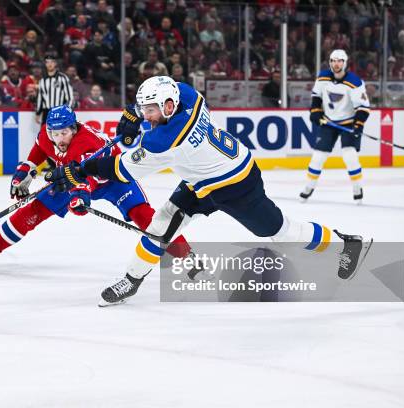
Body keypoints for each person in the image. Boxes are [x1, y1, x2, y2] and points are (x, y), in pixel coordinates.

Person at [46, 76, 372, 306]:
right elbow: (158, 96)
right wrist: (132, 115)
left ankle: (347, 244)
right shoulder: (188, 95)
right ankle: (132, 279)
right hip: (201, 179)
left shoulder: (164, 142)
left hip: (236, 184)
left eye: (150, 111)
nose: (146, 115)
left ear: (169, 106)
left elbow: (118, 169)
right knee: (160, 227)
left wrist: (80, 169)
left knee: (282, 233)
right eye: (144, 109)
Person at [0, 105, 196, 272]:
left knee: (144, 216)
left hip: (112, 178)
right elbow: (39, 150)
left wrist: (80, 197)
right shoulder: (47, 134)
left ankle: (188, 257)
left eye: (64, 133)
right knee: (32, 212)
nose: (59, 139)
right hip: (73, 177)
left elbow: (88, 179)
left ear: (74, 128)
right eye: (54, 134)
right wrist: (26, 170)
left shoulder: (86, 143)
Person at [301, 49, 371, 204]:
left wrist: (358, 125)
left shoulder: (355, 82)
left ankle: (357, 188)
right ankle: (309, 186)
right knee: (318, 157)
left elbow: (364, 108)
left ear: (345, 63)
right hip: (329, 122)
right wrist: (315, 112)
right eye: (333, 60)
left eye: (339, 61)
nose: (336, 64)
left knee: (349, 155)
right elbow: (316, 96)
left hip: (349, 123)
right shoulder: (323, 77)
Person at [35, 55, 74, 124]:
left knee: (59, 133)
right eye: (47, 62)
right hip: (46, 112)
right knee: (45, 134)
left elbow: (70, 97)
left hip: (59, 111)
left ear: (55, 63)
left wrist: (67, 111)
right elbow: (40, 98)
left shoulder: (63, 78)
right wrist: (38, 113)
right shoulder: (42, 80)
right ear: (45, 64)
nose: (49, 64)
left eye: (52, 62)